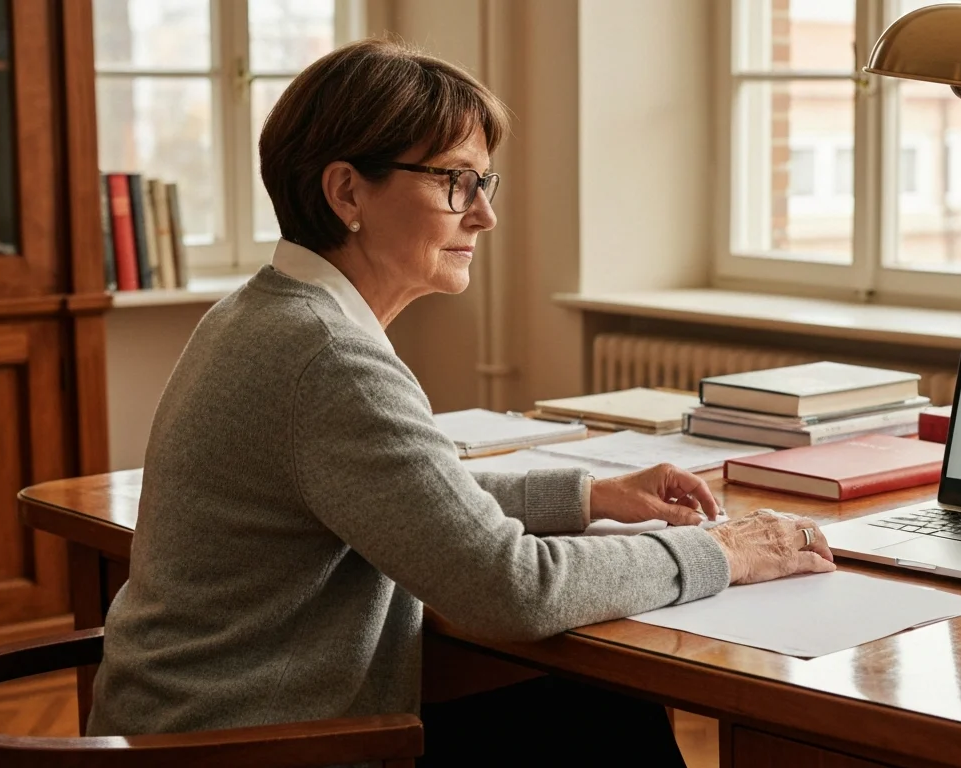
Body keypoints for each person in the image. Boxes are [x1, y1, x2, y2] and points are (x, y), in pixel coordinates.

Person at [84, 38, 835, 767]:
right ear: (347, 192)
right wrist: (722, 552)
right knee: (600, 717)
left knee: (596, 710)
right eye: (456, 181)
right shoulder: (329, 357)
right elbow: (512, 591)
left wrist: (588, 495)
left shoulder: (269, 311)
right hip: (252, 747)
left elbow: (397, 494)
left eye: (485, 182)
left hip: (201, 725)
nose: (484, 215)